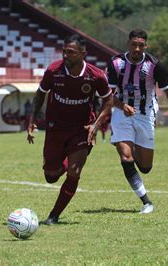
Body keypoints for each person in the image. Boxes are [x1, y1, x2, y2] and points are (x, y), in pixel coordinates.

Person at [27, 34, 113, 225]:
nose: (66, 56)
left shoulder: (96, 75)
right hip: (55, 128)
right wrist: (32, 120)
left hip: (81, 129)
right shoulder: (53, 71)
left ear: (83, 53)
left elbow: (108, 100)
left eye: (71, 52)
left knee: (74, 172)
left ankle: (53, 216)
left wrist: (96, 125)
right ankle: (64, 163)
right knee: (51, 176)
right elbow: (40, 94)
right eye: (64, 51)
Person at [107, 29, 168, 214]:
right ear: (128, 43)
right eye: (134, 44)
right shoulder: (116, 63)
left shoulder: (154, 65)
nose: (137, 48)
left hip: (146, 113)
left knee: (145, 167)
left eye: (141, 45)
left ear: (146, 46)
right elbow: (107, 96)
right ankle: (146, 202)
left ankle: (132, 144)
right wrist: (122, 106)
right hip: (122, 112)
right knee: (125, 157)